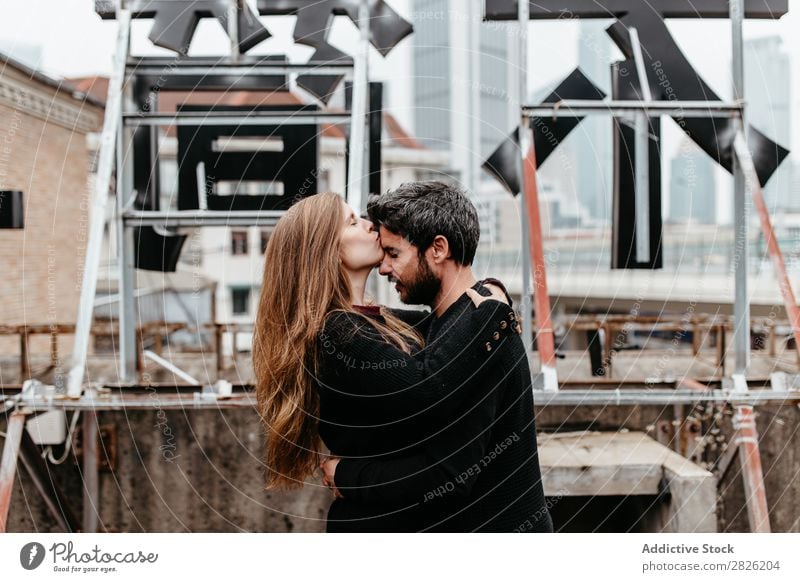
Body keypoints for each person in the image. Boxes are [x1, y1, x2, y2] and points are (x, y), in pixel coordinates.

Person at [252, 190, 517, 532]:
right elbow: (425, 386)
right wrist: (494, 307)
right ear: (327, 252)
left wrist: (489, 290)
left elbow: (448, 323)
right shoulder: (337, 331)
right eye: (352, 222)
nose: (369, 226)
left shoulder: (374, 320)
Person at [320, 181, 553, 532]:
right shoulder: (452, 326)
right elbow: (378, 324)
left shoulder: (480, 334)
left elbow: (449, 474)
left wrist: (348, 474)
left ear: (438, 249)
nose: (384, 269)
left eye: (394, 254)